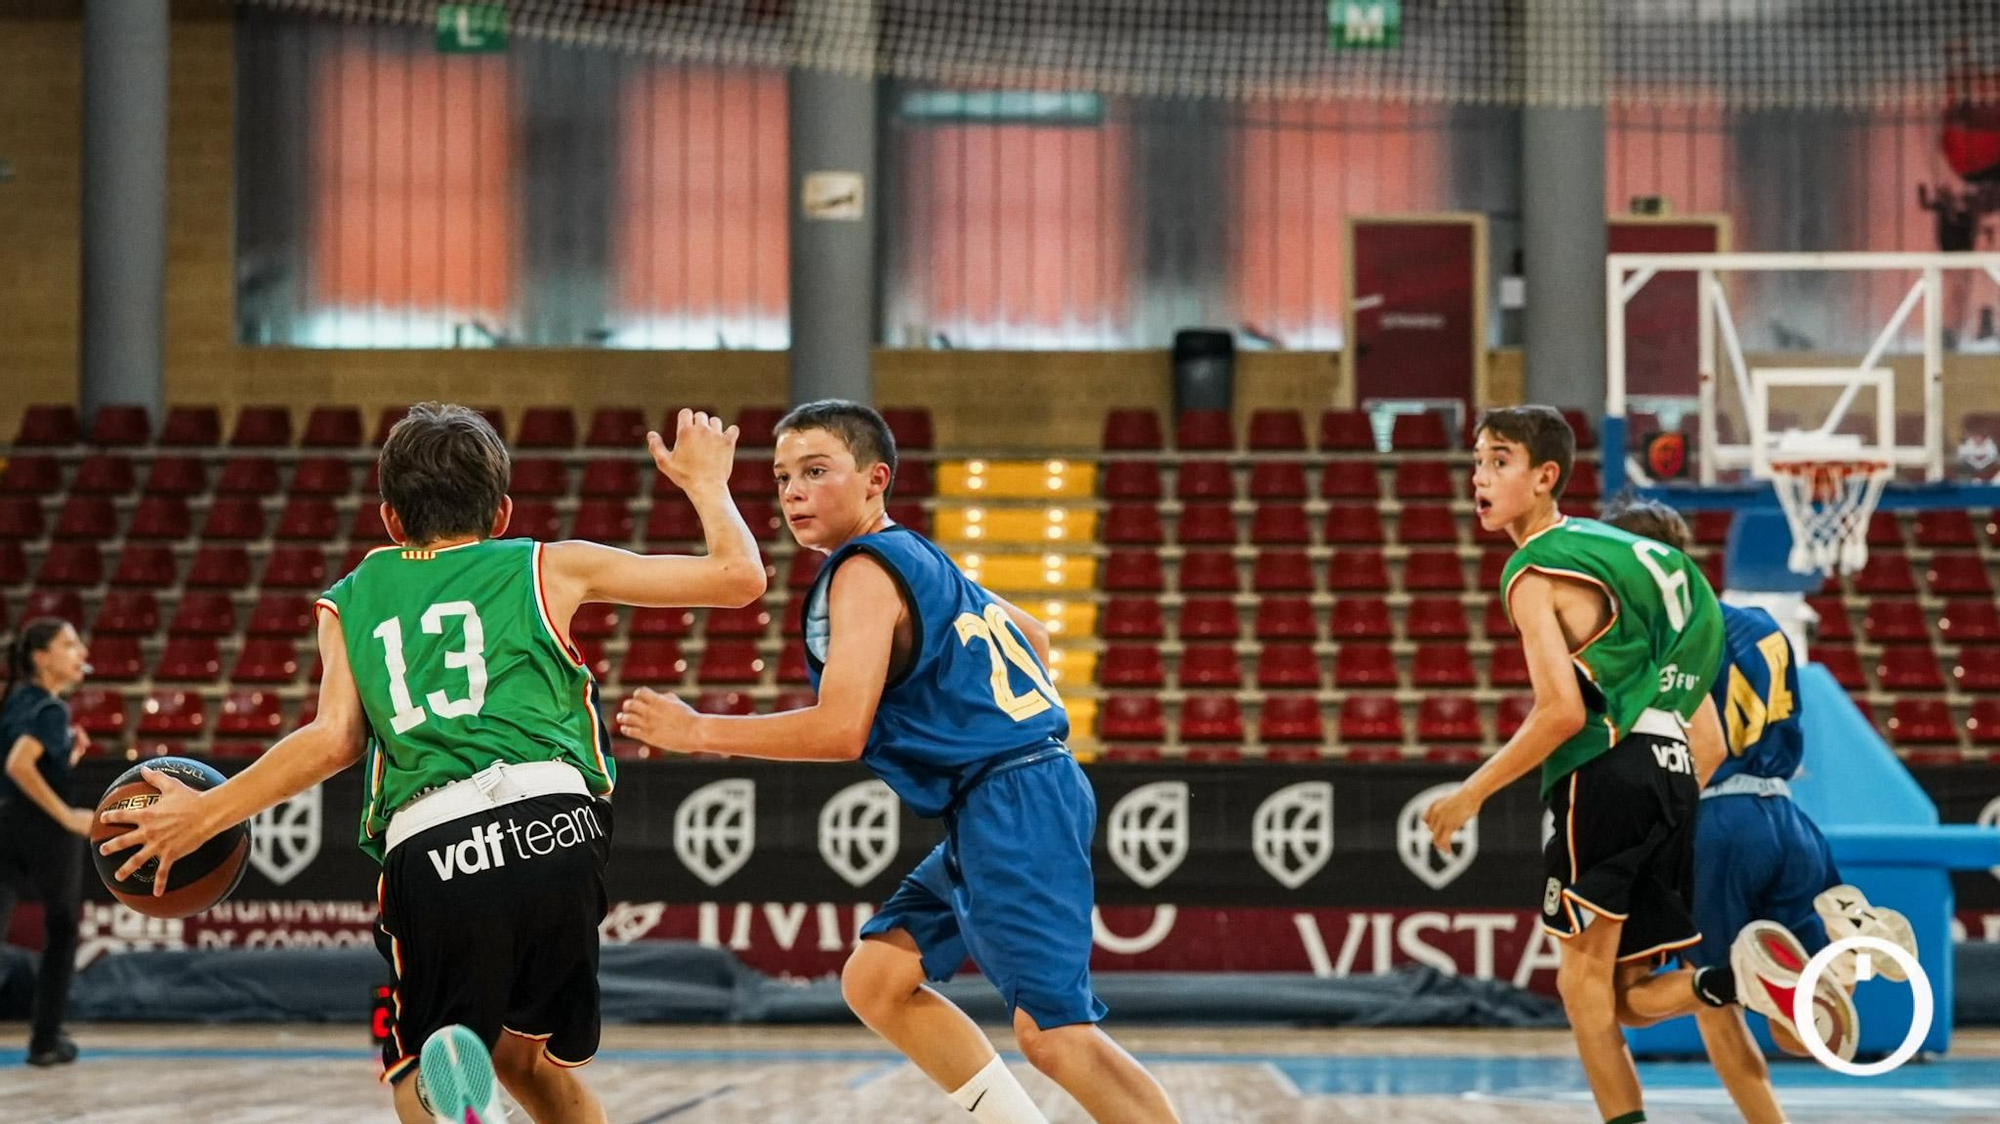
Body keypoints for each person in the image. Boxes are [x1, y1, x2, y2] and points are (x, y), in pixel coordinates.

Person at [99, 404, 765, 1124]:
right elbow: (738, 578)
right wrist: (707, 484)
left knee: (421, 1066)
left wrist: (204, 811)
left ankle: (463, 1105)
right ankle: (478, 1097)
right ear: (502, 511)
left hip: (439, 840)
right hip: (562, 830)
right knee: (522, 1058)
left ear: (390, 519)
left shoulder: (355, 594)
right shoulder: (549, 563)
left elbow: (334, 739)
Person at [617, 400, 1180, 1124]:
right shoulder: (916, 553)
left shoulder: (864, 571)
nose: (793, 491)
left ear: (875, 478)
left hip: (1011, 800)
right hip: (1006, 794)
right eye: (783, 476)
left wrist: (700, 732)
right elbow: (1035, 639)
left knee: (1056, 1036)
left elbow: (841, 731)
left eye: (817, 471)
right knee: (877, 980)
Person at [1421, 405, 1728, 1124]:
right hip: (1677, 766)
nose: (1480, 476)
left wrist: (1473, 792)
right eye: (1477, 461)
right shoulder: (1623, 554)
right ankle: (1731, 981)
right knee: (1621, 997)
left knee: (1579, 986)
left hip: (1603, 770)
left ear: (1545, 477)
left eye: (1500, 460)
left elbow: (1560, 712)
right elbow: (1708, 738)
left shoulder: (1532, 568)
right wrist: (1663, 800)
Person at [1602, 496, 1917, 1119]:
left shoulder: (1655, 644)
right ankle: (1848, 953)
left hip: (1717, 822)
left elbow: (1705, 746)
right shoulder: (1763, 625)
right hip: (1789, 818)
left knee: (1688, 1003)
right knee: (1795, 1029)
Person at [0, 617, 95, 1067]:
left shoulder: (15, 701)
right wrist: (69, 817)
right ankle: (45, 1040)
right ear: (42, 657)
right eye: (69, 644)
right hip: (42, 831)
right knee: (61, 933)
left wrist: (65, 754)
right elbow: (20, 764)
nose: (82, 653)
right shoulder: (53, 710)